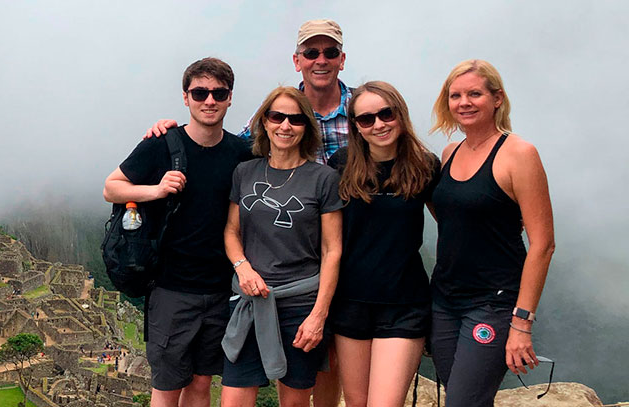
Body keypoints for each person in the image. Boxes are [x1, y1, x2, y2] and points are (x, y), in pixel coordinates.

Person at [102, 57, 253, 406]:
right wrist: (154, 190)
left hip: (219, 289)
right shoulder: (162, 144)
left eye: (219, 93)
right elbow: (112, 188)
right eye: (200, 92)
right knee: (167, 388)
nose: (209, 100)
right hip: (171, 289)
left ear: (230, 98)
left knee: (201, 383)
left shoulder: (241, 154)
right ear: (185, 98)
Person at [427, 60, 554, 406]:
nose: (463, 102)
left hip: (493, 302)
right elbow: (451, 220)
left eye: (474, 94)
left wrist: (522, 323)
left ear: (497, 99)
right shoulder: (450, 152)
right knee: (461, 396)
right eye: (455, 96)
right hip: (445, 299)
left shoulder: (519, 155)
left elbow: (543, 244)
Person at [219, 87, 343, 407]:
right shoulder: (245, 172)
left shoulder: (323, 179)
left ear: (307, 127)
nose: (285, 126)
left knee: (294, 402)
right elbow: (232, 232)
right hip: (249, 298)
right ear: (264, 122)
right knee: (233, 399)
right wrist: (242, 267)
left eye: (296, 119)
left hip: (301, 304)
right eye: (277, 117)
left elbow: (332, 250)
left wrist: (319, 314)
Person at [326, 81, 439, 407]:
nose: (378, 124)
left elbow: (455, 219)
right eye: (366, 119)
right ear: (356, 127)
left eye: (386, 114)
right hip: (350, 302)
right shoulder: (342, 165)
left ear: (400, 115)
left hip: (404, 304)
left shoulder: (424, 166)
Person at [148, 19, 351, 166]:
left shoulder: (366, 111)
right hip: (302, 220)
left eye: (331, 53)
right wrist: (174, 135)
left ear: (341, 60)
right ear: (297, 61)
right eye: (311, 53)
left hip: (358, 219)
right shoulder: (276, 111)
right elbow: (230, 147)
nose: (321, 61)